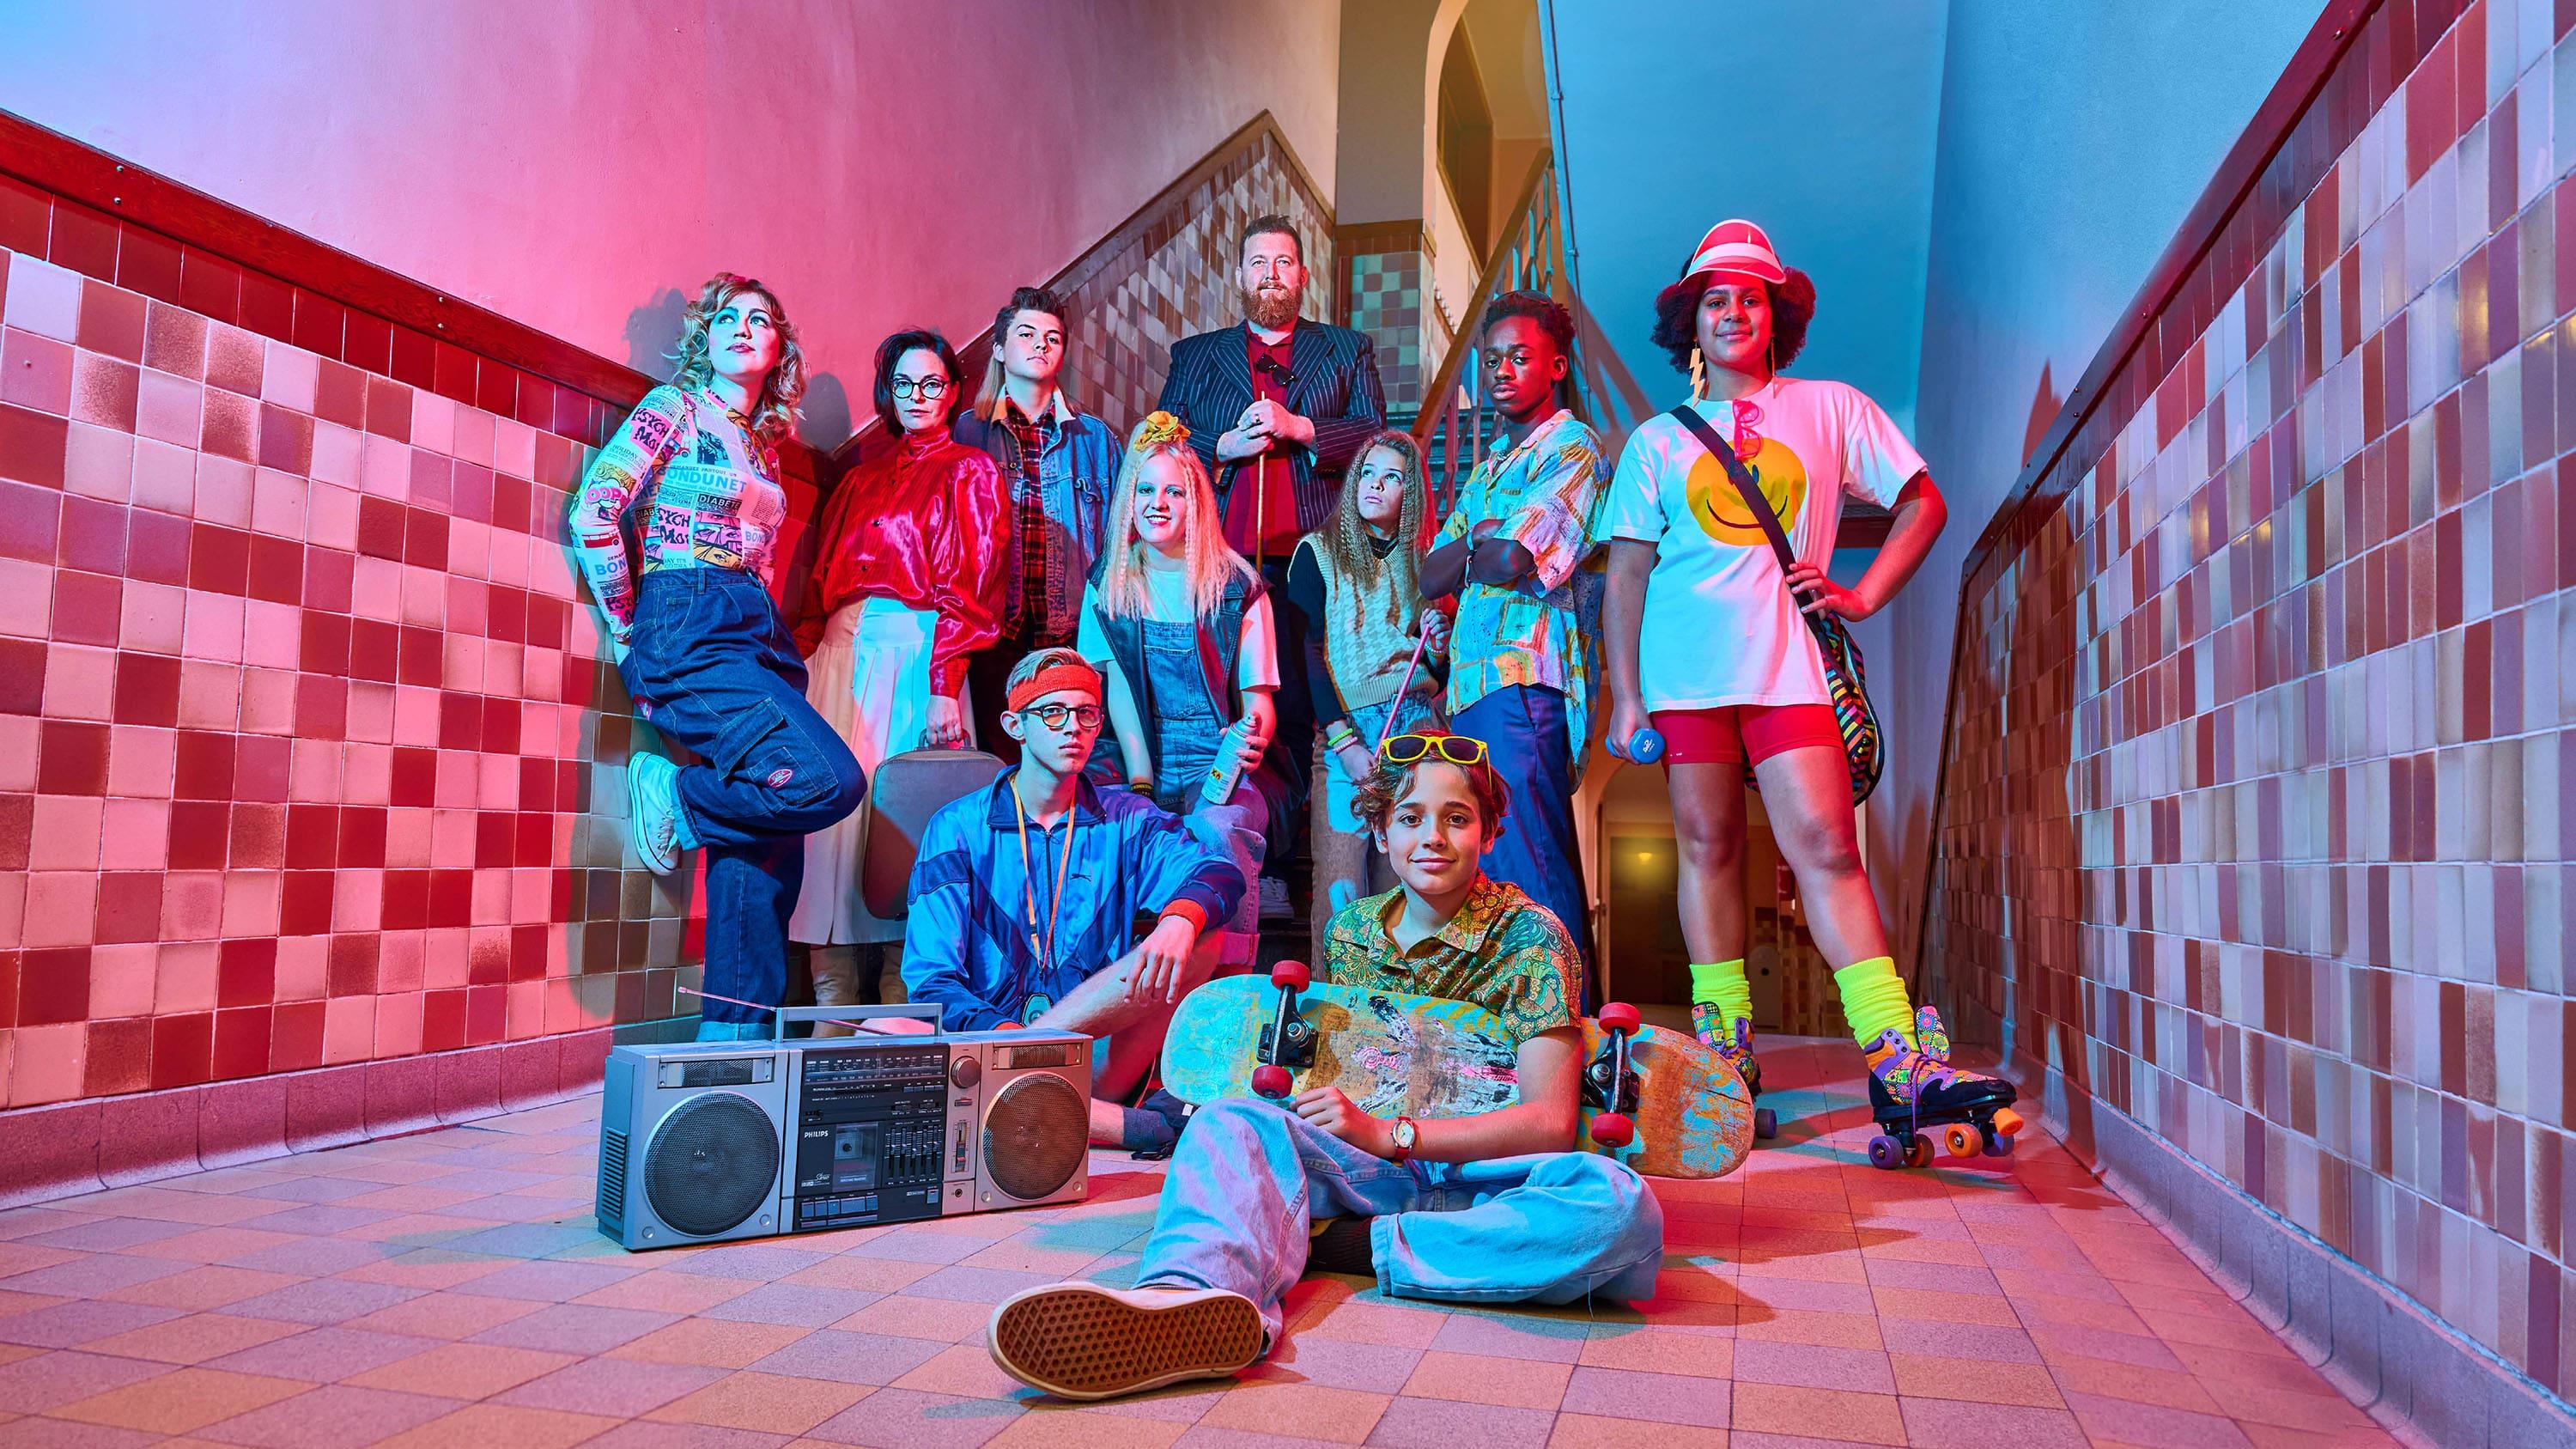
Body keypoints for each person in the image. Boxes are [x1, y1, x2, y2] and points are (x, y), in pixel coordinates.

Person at [983, 729, 1664, 1402]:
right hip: (1368, 1172)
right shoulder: (1352, 931)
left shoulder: (1532, 936)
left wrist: (1390, 1134)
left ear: (1488, 833)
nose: (1432, 837)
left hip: (1488, 1178)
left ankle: (1348, 1248)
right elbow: (1344, 1074)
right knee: (1227, 1123)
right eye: (1410, 818)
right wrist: (1321, 1119)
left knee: (1617, 1208)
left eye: (1457, 818)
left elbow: (1548, 1123)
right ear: (1380, 833)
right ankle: (1183, 1297)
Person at [1600, 218, 2012, 1122]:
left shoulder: (1832, 407)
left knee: (1827, 846)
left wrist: (1862, 595)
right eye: (1716, 299)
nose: (1733, 312)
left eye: (1750, 298)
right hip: (1685, 675)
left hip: (1791, 665)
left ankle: (1899, 1061)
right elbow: (1626, 575)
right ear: (1691, 321)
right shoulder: (1656, 442)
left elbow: (1923, 503)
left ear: (1773, 315)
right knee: (1707, 847)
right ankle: (1726, 1055)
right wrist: (1626, 696)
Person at [568, 274, 866, 1040]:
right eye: (726, 317)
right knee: (827, 780)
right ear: (706, 337)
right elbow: (596, 509)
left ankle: (734, 1041)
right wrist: (630, 628)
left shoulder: (763, 451)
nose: (740, 327)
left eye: (759, 320)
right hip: (687, 617)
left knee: (769, 846)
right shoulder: (675, 408)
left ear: (779, 349)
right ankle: (673, 795)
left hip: (754, 633)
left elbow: (758, 561)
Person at [900, 648, 1246, 1148]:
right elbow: (931, 981)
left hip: (1092, 1055)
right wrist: (1003, 1039)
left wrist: (1180, 920)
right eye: (1053, 712)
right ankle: (1133, 1128)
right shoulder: (957, 827)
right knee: (884, 1032)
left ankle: (1027, 1088)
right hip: (986, 1053)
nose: (1073, 728)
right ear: (1015, 726)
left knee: (1203, 935)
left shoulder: (1125, 817)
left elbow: (1217, 873)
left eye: (1087, 713)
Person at [787, 329, 1009, 1029]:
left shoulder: (971, 471)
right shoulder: (857, 479)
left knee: (903, 823)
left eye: (932, 383)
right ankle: (831, 1010)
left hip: (916, 660)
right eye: (904, 383)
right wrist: (803, 669)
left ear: (953, 391)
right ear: (889, 391)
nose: (918, 396)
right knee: (830, 830)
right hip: (838, 660)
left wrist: (945, 680)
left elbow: (975, 585)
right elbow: (819, 589)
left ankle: (900, 1009)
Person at [1155, 213, 1388, 841]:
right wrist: (1223, 445)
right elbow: (1160, 442)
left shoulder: (1346, 349)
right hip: (1220, 565)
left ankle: (1286, 849)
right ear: (1239, 275)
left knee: (1296, 709)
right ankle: (1223, 839)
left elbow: (1377, 438)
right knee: (1224, 703)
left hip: (1310, 566)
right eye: (1258, 263)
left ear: (1303, 275)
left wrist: (1301, 428)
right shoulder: (1196, 355)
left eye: (1283, 262)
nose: (1271, 274)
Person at [1419, 290, 1609, 985]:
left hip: (1525, 677)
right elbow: (1429, 573)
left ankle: (1568, 1021)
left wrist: (1477, 549)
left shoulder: (1573, 447)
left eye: (1519, 357)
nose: (1502, 370)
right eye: (1492, 359)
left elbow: (1516, 558)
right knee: (1494, 859)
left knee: (1531, 856)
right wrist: (1482, 542)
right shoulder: (1490, 463)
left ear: (1556, 365)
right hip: (1472, 684)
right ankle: (1518, 1019)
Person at [1077, 412, 1278, 971]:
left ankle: (1228, 978)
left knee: (1218, 831)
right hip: (1131, 753)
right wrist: (1140, 781)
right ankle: (1104, 980)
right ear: (1129, 498)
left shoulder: (1237, 586)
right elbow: (1117, 693)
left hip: (1216, 760)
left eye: (1174, 492)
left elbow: (1259, 701)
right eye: (1145, 490)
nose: (1157, 503)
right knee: (1104, 827)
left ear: (1196, 503)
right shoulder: (1109, 582)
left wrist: (1251, 738)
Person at [952, 286, 1121, 760]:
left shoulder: (1095, 439)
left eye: (1053, 337)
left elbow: (1119, 544)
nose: (1041, 345)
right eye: (1026, 334)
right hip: (991, 635)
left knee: (1068, 765)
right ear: (999, 349)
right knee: (1000, 765)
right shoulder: (967, 432)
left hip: (1070, 638)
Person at [1282, 428, 1448, 905]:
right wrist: (1344, 742)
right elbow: (1307, 653)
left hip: (1416, 726)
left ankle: (1399, 964)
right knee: (1342, 890)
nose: (1374, 483)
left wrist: (1438, 646)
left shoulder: (1424, 561)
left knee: (1403, 889)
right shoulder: (1317, 551)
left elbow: (1436, 672)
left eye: (1392, 477)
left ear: (1410, 494)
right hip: (1345, 731)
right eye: (1366, 472)